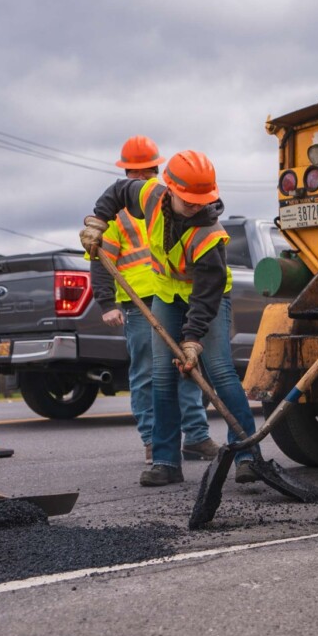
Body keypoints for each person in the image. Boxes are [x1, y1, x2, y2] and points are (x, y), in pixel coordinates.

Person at [80, 150, 260, 487]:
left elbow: (207, 294)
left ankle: (249, 456)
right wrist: (98, 221)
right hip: (165, 293)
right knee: (161, 376)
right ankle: (165, 462)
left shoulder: (210, 235)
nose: (195, 206)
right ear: (170, 189)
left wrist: (192, 339)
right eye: (188, 199)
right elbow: (119, 190)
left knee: (220, 370)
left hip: (207, 298)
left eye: (201, 200)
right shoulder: (149, 195)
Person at [88, 136, 219, 465]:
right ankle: (153, 440)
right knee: (148, 374)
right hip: (136, 303)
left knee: (186, 368)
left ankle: (196, 436)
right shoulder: (120, 216)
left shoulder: (165, 203)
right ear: (127, 172)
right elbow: (98, 257)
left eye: (150, 170)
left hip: (172, 296)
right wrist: (106, 304)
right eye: (138, 171)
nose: (144, 177)